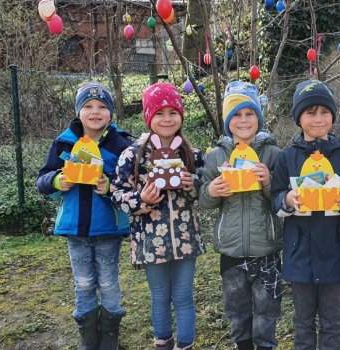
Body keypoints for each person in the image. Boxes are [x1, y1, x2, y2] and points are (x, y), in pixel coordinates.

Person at [36, 81, 132, 350]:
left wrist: (110, 185)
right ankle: (88, 337)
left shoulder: (121, 145)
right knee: (84, 283)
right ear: (78, 111)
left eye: (102, 106)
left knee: (109, 282)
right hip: (74, 230)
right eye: (88, 106)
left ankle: (110, 336)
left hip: (108, 229)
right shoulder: (63, 142)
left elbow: (131, 183)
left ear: (111, 112)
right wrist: (57, 181)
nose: (95, 112)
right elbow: (42, 179)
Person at [111, 83, 205, 350]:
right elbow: (117, 194)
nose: (167, 119)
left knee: (184, 295)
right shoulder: (133, 155)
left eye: (173, 112)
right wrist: (142, 200)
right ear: (148, 116)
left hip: (186, 239)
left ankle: (185, 345)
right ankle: (163, 343)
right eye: (160, 113)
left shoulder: (192, 154)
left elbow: (206, 192)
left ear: (181, 116)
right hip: (150, 241)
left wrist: (192, 185)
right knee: (160, 296)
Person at [270, 79, 340, 350]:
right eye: (311, 112)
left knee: (333, 323)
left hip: (335, 253)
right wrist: (286, 199)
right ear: (299, 118)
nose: (318, 119)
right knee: (303, 323)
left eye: (324, 112)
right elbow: (274, 199)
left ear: (333, 116)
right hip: (299, 256)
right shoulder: (287, 158)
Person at [198, 81, 283, 350]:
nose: (243, 120)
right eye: (236, 114)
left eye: (249, 113)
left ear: (258, 117)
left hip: (266, 249)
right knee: (236, 309)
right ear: (226, 120)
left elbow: (284, 200)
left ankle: (265, 345)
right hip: (231, 251)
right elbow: (203, 200)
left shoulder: (273, 154)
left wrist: (269, 181)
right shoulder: (216, 158)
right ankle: (243, 345)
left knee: (267, 308)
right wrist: (212, 190)